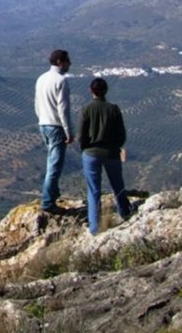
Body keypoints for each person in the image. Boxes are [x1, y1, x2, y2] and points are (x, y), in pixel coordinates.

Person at [78, 76, 133, 235]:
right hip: (111, 153)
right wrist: (116, 146)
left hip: (91, 153)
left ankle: (94, 228)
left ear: (91, 91)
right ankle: (126, 213)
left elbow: (81, 135)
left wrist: (85, 148)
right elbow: (121, 134)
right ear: (106, 91)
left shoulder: (86, 109)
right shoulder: (113, 109)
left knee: (93, 191)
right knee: (118, 186)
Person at [35, 49, 73, 213]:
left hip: (43, 124)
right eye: (67, 61)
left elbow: (36, 104)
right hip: (56, 126)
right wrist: (68, 131)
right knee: (54, 166)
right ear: (59, 62)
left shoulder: (41, 78)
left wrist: (42, 119)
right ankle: (48, 202)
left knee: (51, 161)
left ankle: (52, 194)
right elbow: (63, 109)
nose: (69, 64)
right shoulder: (61, 80)